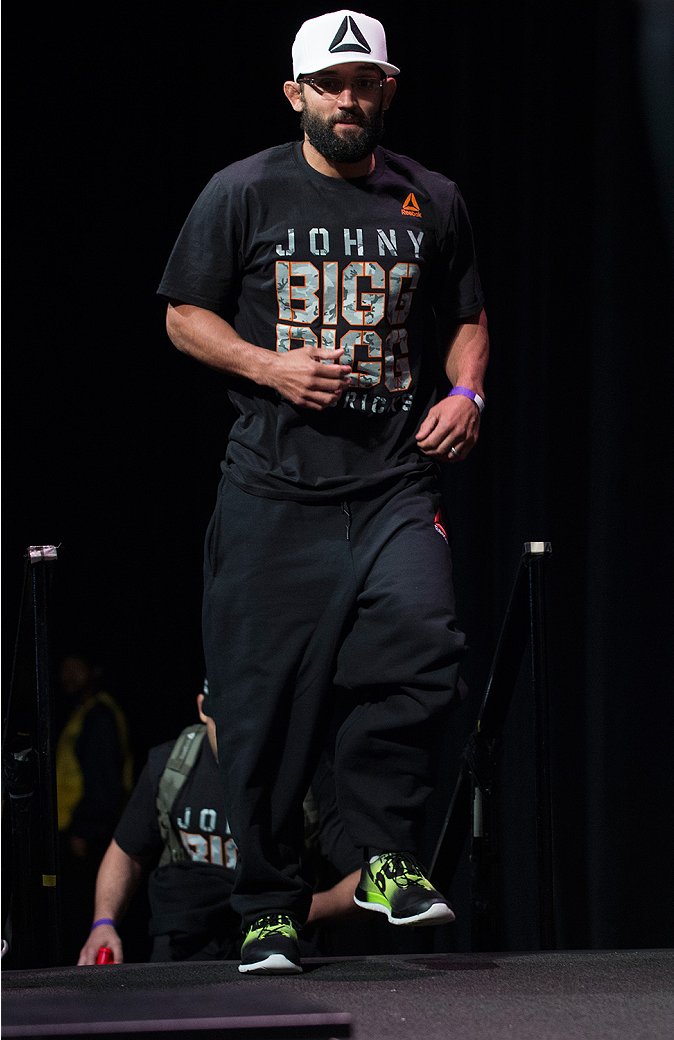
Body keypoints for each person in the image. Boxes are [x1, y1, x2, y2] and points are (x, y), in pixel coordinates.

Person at [157, 9, 488, 975]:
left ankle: (383, 854)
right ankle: (268, 908)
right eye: (332, 84)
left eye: (367, 82)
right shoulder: (244, 191)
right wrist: (271, 367)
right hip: (272, 490)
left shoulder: (433, 197)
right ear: (297, 95)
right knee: (259, 707)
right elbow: (183, 316)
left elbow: (468, 313)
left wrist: (467, 391)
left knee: (424, 648)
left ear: (389, 89)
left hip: (388, 483)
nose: (351, 99)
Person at [78, 685, 363, 964]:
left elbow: (365, 875)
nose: (234, 738)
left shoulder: (302, 773)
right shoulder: (171, 764)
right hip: (186, 947)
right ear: (203, 708)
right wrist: (103, 923)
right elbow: (126, 851)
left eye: (246, 723)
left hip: (277, 946)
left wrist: (298, 908)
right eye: (224, 722)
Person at [55, 651, 133, 962]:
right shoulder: (80, 711)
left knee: (85, 913)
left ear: (95, 670)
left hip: (91, 833)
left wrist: (84, 829)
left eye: (77, 667)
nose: (68, 676)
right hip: (78, 829)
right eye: (65, 668)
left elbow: (104, 783)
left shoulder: (100, 714)